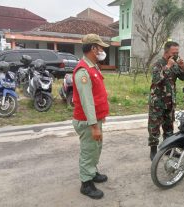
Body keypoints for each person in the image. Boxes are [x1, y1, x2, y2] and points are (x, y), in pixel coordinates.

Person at [72, 34, 109, 199]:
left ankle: (92, 172)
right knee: (89, 151)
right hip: (87, 122)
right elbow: (87, 102)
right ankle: (86, 184)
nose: (102, 50)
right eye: (100, 47)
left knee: (96, 149)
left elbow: (97, 95)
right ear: (93, 49)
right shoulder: (83, 71)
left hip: (95, 120)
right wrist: (94, 126)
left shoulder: (93, 66)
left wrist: (100, 118)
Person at [148, 41, 184, 161]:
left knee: (169, 127)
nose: (176, 55)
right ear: (166, 52)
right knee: (154, 127)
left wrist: (182, 67)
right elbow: (156, 80)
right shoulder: (158, 64)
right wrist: (168, 66)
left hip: (170, 102)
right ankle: (153, 150)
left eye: (177, 52)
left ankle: (169, 149)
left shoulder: (175, 64)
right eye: (173, 52)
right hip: (157, 102)